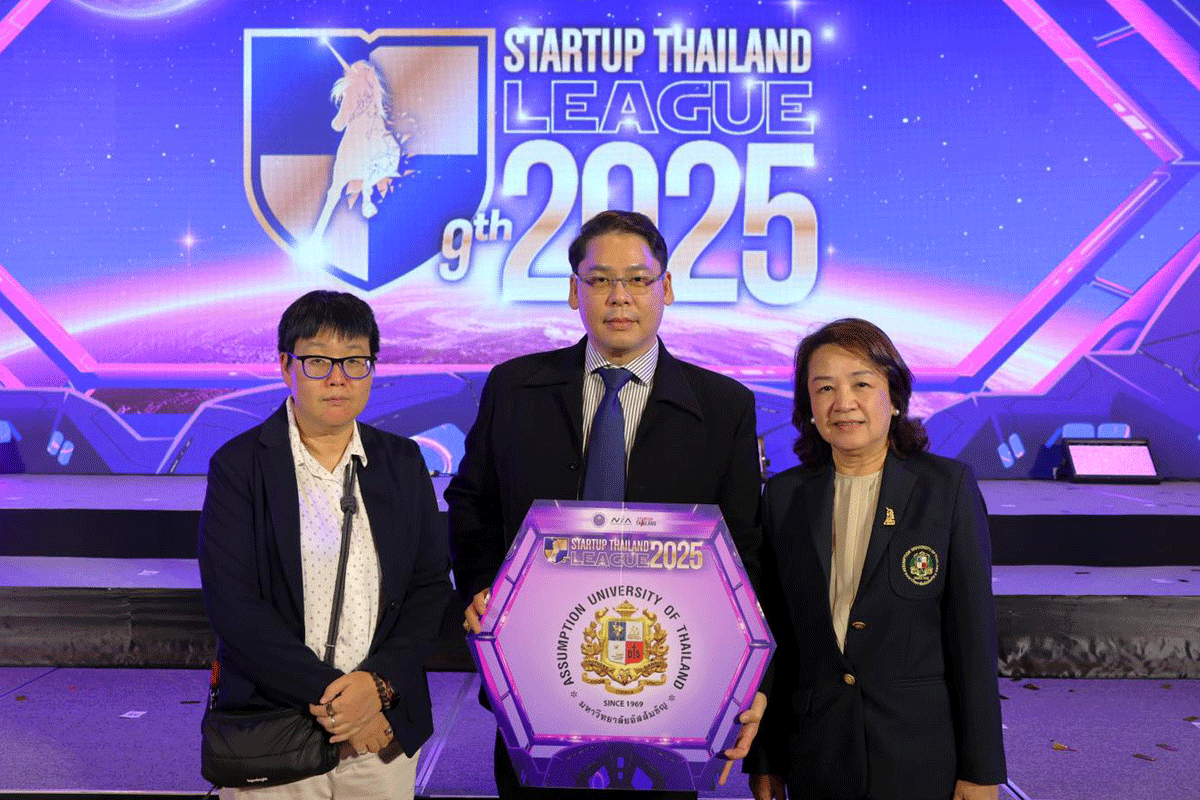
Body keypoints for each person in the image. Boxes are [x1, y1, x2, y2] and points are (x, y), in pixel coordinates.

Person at [445, 209, 766, 800]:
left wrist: (745, 677)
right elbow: (471, 505)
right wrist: (481, 588)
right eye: (599, 280)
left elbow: (745, 547)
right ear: (575, 291)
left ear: (666, 288)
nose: (620, 297)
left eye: (638, 280)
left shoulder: (724, 407)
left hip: (673, 688)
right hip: (534, 676)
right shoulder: (515, 390)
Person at [199, 290, 453, 799]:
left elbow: (428, 589)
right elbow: (235, 607)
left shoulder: (402, 462)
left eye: (355, 361)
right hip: (277, 729)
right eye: (318, 361)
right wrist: (342, 706)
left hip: (383, 729)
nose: (339, 378)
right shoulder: (240, 466)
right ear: (285, 366)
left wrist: (377, 688)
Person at [745, 318, 1007, 800]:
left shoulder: (946, 489)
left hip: (918, 753)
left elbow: (973, 638)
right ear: (809, 407)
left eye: (861, 384)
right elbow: (776, 637)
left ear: (895, 396)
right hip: (817, 751)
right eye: (824, 388)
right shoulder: (784, 496)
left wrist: (982, 770)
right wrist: (766, 758)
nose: (842, 402)